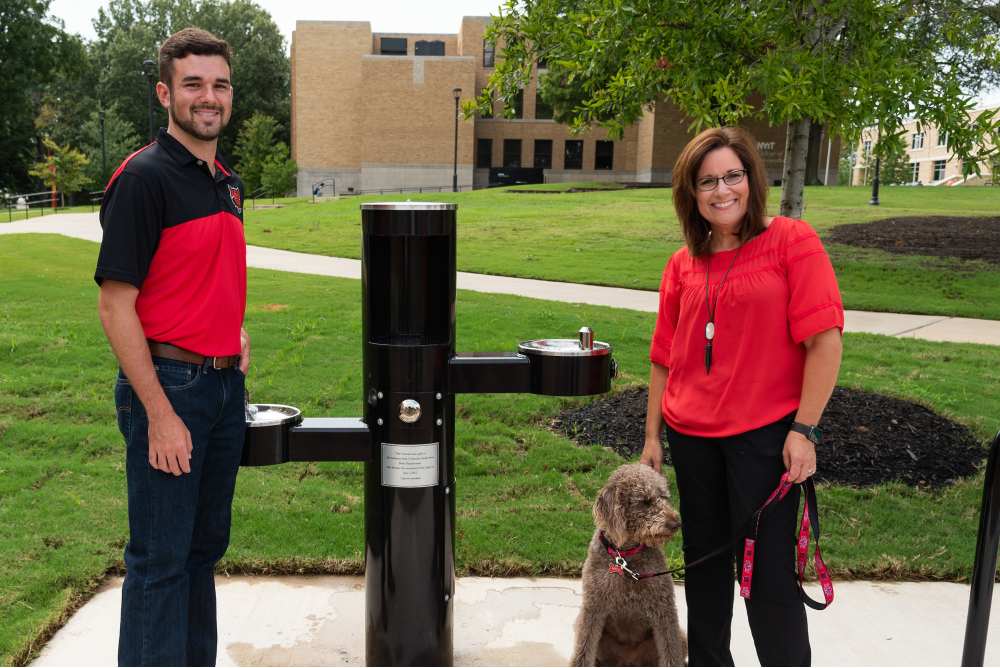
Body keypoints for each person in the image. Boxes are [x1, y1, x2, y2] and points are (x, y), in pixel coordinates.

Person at [641, 127, 843, 667]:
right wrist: (653, 437)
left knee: (766, 575)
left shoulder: (790, 241)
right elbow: (664, 355)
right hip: (691, 440)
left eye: (732, 175)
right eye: (707, 181)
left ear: (752, 179)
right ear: (692, 193)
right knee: (704, 567)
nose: (721, 189)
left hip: (764, 441)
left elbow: (825, 340)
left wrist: (805, 430)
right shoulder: (682, 264)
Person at [95, 28, 249, 666]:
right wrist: (158, 413)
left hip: (221, 388)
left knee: (200, 555)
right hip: (171, 389)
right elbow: (114, 303)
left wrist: (233, 331)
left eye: (218, 84)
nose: (207, 97)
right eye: (193, 85)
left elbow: (201, 273)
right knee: (159, 561)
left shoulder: (229, 182)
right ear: (166, 93)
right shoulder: (143, 177)